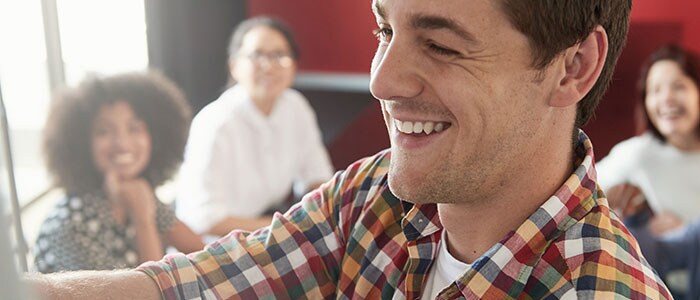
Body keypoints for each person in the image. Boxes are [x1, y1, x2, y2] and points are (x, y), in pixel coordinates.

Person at [29, 1, 673, 299]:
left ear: (573, 67)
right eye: (385, 29)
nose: (381, 80)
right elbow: (183, 285)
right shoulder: (371, 199)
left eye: (442, 44)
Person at [175, 16, 334, 236]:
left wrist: (324, 215)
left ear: (294, 65)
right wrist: (292, 227)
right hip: (212, 247)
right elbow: (205, 220)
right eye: (257, 55)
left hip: (267, 234)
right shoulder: (215, 122)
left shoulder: (296, 107)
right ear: (234, 66)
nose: (268, 67)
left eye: (279, 55)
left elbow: (317, 176)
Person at [33, 71, 204, 273]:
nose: (122, 143)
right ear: (81, 142)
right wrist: (142, 219)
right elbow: (151, 292)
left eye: (135, 128)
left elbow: (203, 255)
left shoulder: (136, 191)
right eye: (104, 131)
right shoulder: (68, 226)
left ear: (155, 137)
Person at [597, 44, 700, 298]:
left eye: (678, 86)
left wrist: (685, 233)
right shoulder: (637, 155)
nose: (666, 99)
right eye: (654, 90)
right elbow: (580, 191)